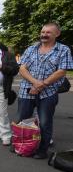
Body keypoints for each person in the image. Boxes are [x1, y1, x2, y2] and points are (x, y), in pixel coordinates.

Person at [17, 22, 73, 159]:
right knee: (23, 120)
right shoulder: (31, 48)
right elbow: (22, 69)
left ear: (57, 34)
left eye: (48, 32)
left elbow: (61, 71)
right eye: (43, 32)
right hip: (26, 90)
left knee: (45, 122)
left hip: (48, 92)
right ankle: (21, 145)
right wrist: (35, 83)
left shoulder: (63, 49)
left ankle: (42, 150)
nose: (44, 35)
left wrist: (42, 85)